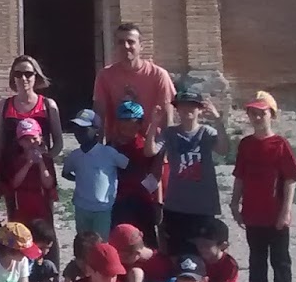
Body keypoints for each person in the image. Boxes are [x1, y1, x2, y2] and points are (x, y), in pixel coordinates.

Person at [231, 90, 296, 282]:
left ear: (272, 114)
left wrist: (285, 211)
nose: (257, 117)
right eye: (253, 113)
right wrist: (234, 203)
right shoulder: (246, 144)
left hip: (275, 213)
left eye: (262, 113)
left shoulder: (280, 144)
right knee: (257, 261)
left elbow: (290, 179)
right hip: (253, 213)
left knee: (280, 262)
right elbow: (240, 176)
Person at [160, 87, 229, 258]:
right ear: (177, 110)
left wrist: (218, 120)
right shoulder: (170, 133)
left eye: (192, 106)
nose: (187, 110)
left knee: (204, 253)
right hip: (176, 204)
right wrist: (155, 124)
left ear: (199, 109)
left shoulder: (206, 132)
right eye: (182, 106)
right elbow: (151, 151)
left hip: (202, 205)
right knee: (176, 253)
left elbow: (224, 149)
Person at [92, 22, 177, 142]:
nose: (126, 46)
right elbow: (99, 113)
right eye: (121, 42)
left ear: (141, 46)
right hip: (117, 144)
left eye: (131, 42)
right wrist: (98, 147)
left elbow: (167, 115)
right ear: (115, 46)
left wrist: (168, 148)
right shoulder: (105, 75)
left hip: (150, 144)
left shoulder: (158, 75)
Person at [61, 109, 128, 238]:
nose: (78, 133)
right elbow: (65, 173)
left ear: (96, 130)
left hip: (103, 209)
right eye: (76, 129)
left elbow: (127, 166)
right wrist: (81, 179)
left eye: (84, 129)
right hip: (82, 207)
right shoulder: (74, 156)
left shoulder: (108, 153)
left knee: (101, 241)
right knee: (84, 241)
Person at [109, 99, 166, 248]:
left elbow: (156, 175)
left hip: (142, 201)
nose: (128, 126)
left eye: (132, 121)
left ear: (140, 124)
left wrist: (158, 203)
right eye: (124, 121)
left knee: (146, 245)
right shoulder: (111, 146)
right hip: (118, 202)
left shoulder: (145, 146)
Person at [0, 56, 64, 168]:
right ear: (13, 77)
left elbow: (58, 142)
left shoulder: (48, 105)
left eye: (28, 74)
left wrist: (45, 159)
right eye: (18, 74)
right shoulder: (5, 105)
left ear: (36, 75)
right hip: (10, 170)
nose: (23, 78)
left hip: (39, 171)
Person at [3, 118, 58, 233]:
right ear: (20, 142)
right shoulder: (16, 160)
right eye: (26, 140)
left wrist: (41, 162)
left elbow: (48, 183)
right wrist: (28, 164)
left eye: (34, 138)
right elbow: (14, 183)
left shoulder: (46, 159)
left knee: (41, 235)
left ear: (40, 138)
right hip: (22, 207)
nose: (32, 143)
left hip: (41, 207)